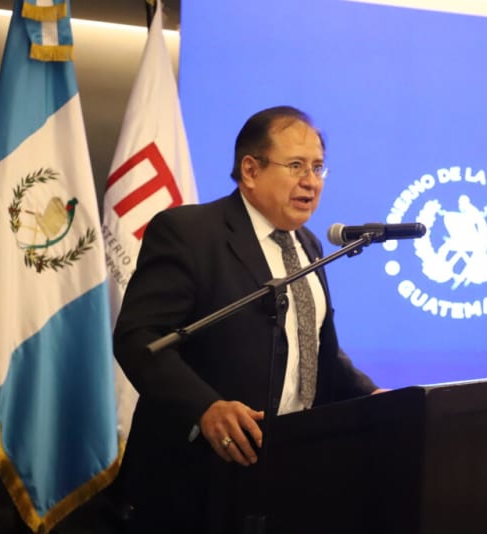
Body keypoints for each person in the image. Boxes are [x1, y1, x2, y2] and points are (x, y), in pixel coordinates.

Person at [113, 106, 379, 532]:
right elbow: (138, 338)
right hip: (199, 476)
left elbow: (314, 347)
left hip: (286, 472)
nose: (310, 181)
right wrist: (204, 407)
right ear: (250, 171)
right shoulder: (190, 232)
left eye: (317, 167)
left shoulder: (308, 245)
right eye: (295, 166)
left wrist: (375, 397)